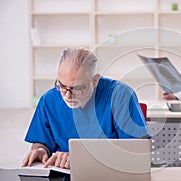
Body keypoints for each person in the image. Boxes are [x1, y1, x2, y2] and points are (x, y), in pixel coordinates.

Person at [22, 47, 150, 169]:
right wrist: (39, 150)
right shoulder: (49, 100)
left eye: (77, 88)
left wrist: (80, 158)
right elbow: (41, 142)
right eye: (61, 85)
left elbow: (136, 151)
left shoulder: (120, 96)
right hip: (62, 178)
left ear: (95, 81)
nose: (67, 95)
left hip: (111, 177)